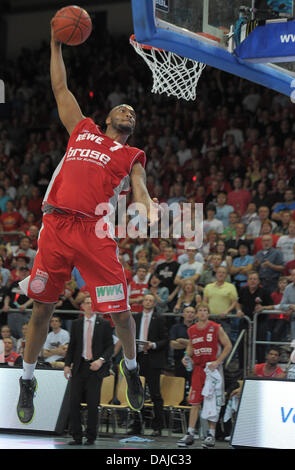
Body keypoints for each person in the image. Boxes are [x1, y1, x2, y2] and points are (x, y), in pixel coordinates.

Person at [16, 25, 159, 424]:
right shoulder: (83, 130)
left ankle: (130, 369)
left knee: (122, 314)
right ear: (109, 115)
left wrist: (147, 206)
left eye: (134, 112)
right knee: (41, 310)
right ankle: (27, 379)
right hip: (57, 228)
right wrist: (54, 43)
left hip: (94, 234)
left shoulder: (130, 154)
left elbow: (140, 187)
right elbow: (60, 88)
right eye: (124, 108)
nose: (128, 111)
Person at [177, 303, 232, 449]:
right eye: (199, 310)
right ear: (196, 314)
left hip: (212, 369)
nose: (202, 313)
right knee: (194, 401)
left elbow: (228, 345)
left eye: (205, 310)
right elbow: (190, 348)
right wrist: (186, 357)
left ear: (208, 313)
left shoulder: (216, 327)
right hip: (198, 369)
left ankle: (210, 435)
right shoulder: (192, 330)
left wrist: (218, 361)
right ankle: (189, 433)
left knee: (211, 402)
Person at [64, 295, 114, 445]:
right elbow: (72, 346)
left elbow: (110, 346)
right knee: (73, 402)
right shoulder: (77, 323)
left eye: (92, 303)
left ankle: (91, 436)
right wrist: (67, 364)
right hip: (79, 367)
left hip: (95, 368)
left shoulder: (104, 324)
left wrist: (101, 360)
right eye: (86, 303)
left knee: (93, 404)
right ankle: (76, 436)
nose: (89, 305)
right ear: (82, 306)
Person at [128, 294, 169, 436]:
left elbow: (165, 340)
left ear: (154, 303)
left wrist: (154, 345)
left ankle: (158, 427)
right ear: (142, 302)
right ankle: (137, 425)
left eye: (151, 300)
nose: (148, 302)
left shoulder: (160, 318)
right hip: (138, 358)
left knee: (155, 393)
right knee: (137, 393)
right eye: (146, 300)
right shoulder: (136, 317)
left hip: (153, 359)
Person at [237, 271, 272, 365]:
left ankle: (260, 367)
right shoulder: (242, 290)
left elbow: (272, 306)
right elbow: (238, 303)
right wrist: (238, 310)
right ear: (247, 281)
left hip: (260, 321)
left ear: (258, 281)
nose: (252, 281)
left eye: (255, 279)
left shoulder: (264, 291)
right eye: (250, 279)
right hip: (245, 320)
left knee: (260, 345)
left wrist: (263, 307)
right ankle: (242, 369)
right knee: (241, 344)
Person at [203, 266, 238, 340]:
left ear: (226, 275)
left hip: (224, 320)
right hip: (210, 319)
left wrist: (227, 311)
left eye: (223, 273)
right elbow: (205, 302)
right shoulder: (208, 286)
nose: (221, 274)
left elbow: (234, 303)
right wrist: (205, 313)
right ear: (216, 274)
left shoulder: (231, 287)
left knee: (224, 342)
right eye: (219, 272)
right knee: (210, 341)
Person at [169, 306, 196, 399]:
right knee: (180, 388)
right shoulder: (176, 327)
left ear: (195, 315)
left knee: (194, 386)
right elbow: (172, 344)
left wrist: (181, 341)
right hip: (179, 361)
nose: (189, 314)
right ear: (183, 314)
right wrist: (191, 344)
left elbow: (199, 345)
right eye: (187, 312)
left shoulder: (197, 327)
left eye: (192, 312)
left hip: (195, 361)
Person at [3, 266, 33, 339]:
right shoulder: (14, 284)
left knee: (25, 335)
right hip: (12, 313)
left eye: (25, 271)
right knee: (12, 335)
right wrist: (6, 305)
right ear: (18, 273)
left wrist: (25, 305)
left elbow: (34, 298)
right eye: (22, 271)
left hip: (25, 313)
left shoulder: (32, 284)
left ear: (29, 273)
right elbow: (7, 296)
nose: (23, 273)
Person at [275, 268, 295, 340]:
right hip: (294, 320)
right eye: (293, 275)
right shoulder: (288, 288)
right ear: (290, 277)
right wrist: (291, 306)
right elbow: (282, 305)